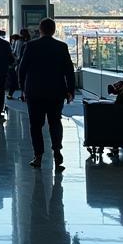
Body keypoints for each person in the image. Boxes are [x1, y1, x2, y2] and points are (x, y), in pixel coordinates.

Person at [18, 17, 75, 170]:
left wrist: (22, 89)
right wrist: (70, 90)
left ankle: (38, 156)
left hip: (34, 92)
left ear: (40, 29)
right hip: (56, 92)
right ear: (54, 30)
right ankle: (57, 150)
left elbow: (22, 70)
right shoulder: (61, 46)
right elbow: (69, 70)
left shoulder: (31, 46)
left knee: (35, 125)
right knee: (55, 122)